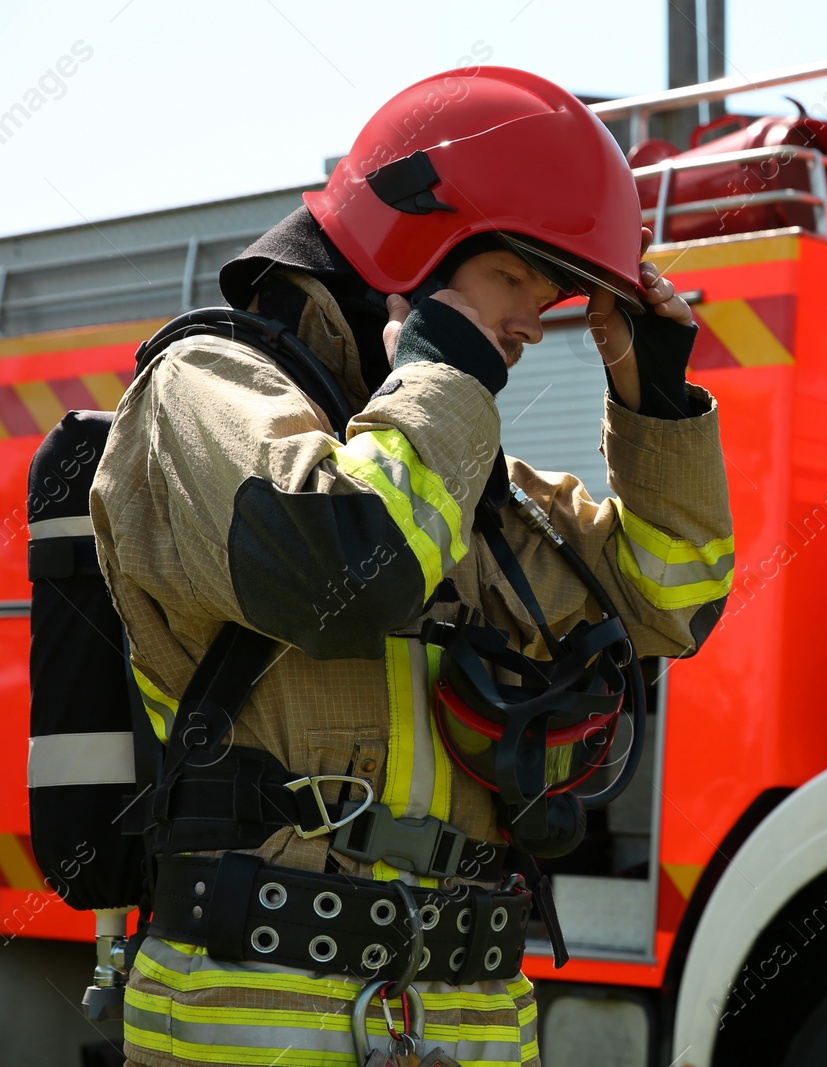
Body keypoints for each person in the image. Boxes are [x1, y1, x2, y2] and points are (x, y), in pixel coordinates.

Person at [89, 67, 733, 1067]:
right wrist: (445, 373)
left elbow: (671, 604)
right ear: (414, 248)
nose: (535, 320)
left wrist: (654, 401)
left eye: (553, 292)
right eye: (517, 276)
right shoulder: (198, 392)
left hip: (470, 1022)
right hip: (253, 1025)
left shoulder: (463, 488)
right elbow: (340, 571)